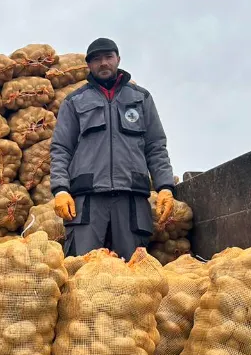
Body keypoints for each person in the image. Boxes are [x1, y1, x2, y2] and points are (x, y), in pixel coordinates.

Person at [50, 37, 176, 258]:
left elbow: (155, 146)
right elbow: (61, 149)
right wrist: (60, 190)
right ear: (88, 65)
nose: (104, 63)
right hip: (87, 202)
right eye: (97, 59)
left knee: (134, 270)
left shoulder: (141, 98)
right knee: (83, 270)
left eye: (108, 57)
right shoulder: (74, 101)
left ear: (118, 59)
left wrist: (165, 186)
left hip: (131, 201)